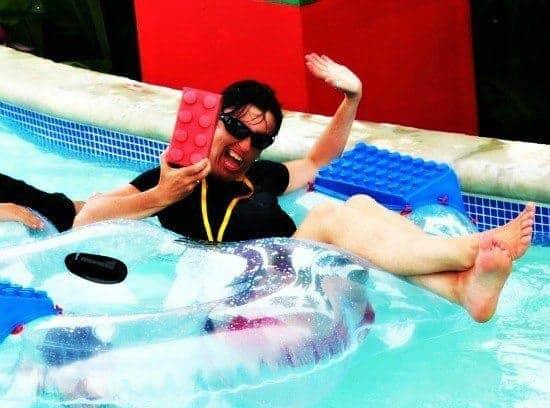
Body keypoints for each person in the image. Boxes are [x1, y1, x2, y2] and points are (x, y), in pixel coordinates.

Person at [1, 54, 535, 322]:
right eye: (237, 128)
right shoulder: (168, 177)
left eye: (260, 139)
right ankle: (467, 250)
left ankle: (461, 289)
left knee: (359, 202)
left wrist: (352, 97)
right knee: (330, 217)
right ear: (214, 120)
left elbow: (320, 159)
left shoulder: (264, 176)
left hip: (295, 270)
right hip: (241, 284)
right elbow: (86, 219)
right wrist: (160, 196)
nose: (245, 146)